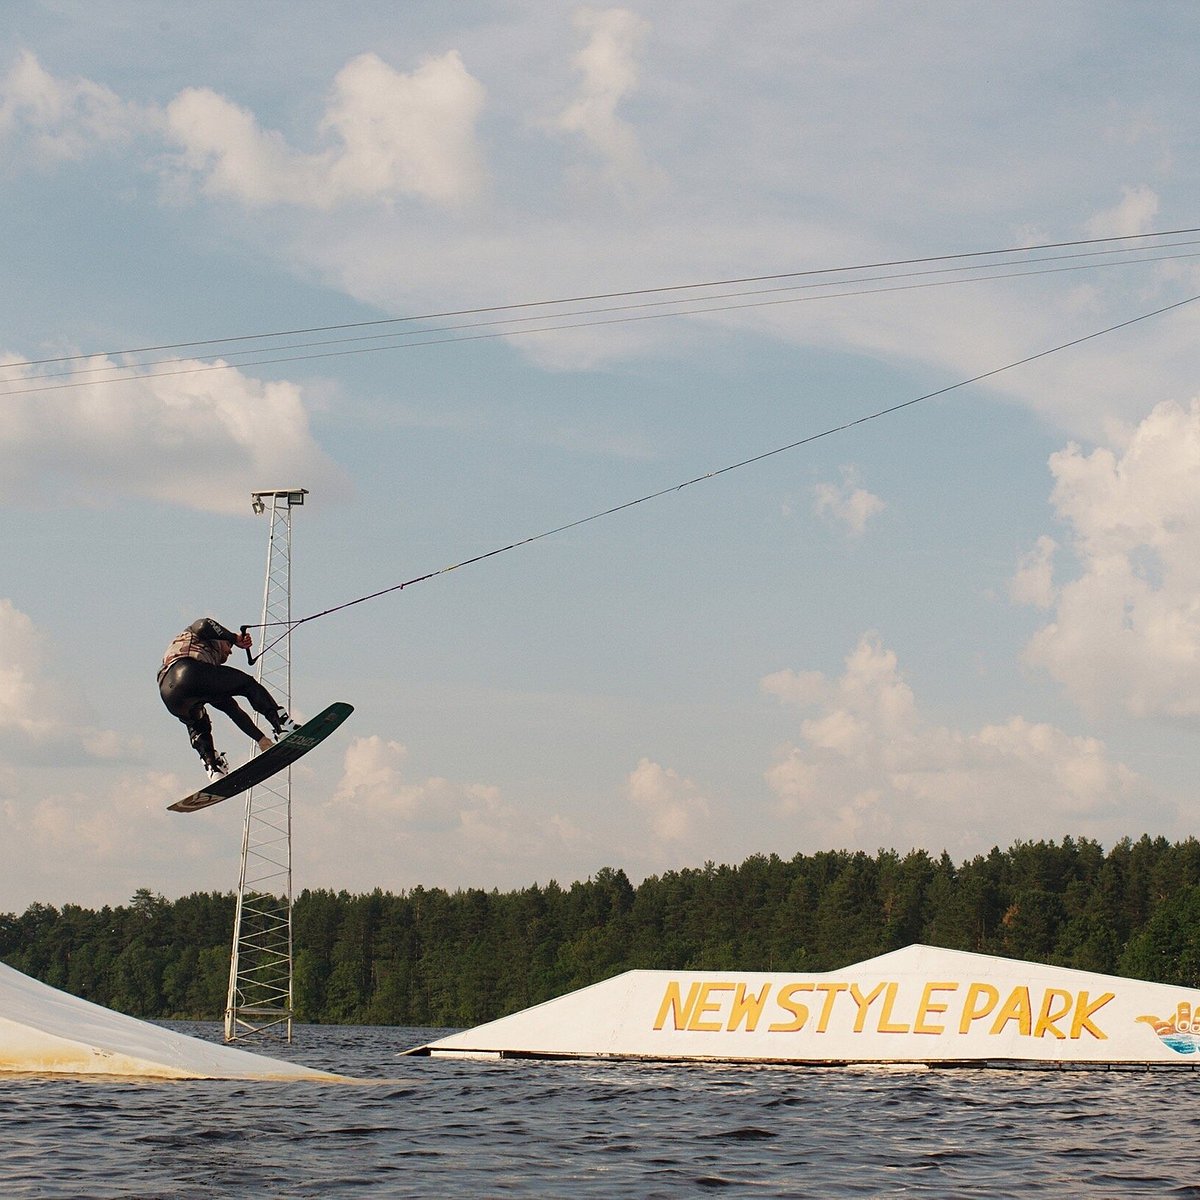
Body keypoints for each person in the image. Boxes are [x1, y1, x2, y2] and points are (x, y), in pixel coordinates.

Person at [158, 617, 298, 781]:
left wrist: (261, 739)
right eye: (228, 646)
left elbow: (234, 711)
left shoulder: (208, 680)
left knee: (199, 724)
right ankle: (281, 724)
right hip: (187, 670)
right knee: (248, 684)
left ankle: (213, 766)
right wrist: (234, 638)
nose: (230, 651)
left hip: (170, 695)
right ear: (218, 638)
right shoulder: (195, 633)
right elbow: (204, 624)